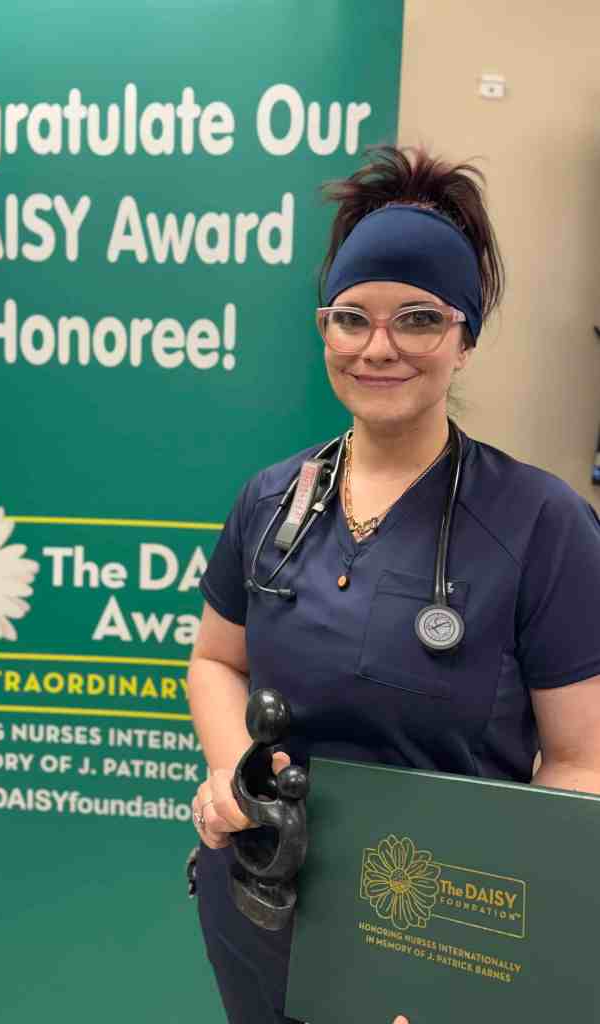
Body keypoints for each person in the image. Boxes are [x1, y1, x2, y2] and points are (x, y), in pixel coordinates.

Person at [186, 143, 600, 1024]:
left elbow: (581, 764)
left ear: (465, 338)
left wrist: (478, 966)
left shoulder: (542, 523)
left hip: (438, 942)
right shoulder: (270, 499)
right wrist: (229, 772)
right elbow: (217, 661)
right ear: (325, 330)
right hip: (262, 905)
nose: (379, 348)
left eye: (418, 319)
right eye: (352, 318)